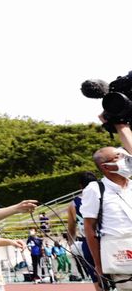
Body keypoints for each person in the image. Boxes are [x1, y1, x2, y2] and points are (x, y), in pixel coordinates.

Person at [82, 122, 132, 291]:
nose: (127, 159)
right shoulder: (95, 189)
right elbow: (89, 229)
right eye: (119, 157)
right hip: (120, 256)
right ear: (105, 167)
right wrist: (98, 265)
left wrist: (121, 126)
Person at [66, 171, 99, 290]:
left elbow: (71, 227)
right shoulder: (104, 196)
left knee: (96, 275)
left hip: (88, 242)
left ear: (80, 186)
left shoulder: (73, 204)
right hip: (107, 238)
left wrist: (71, 243)